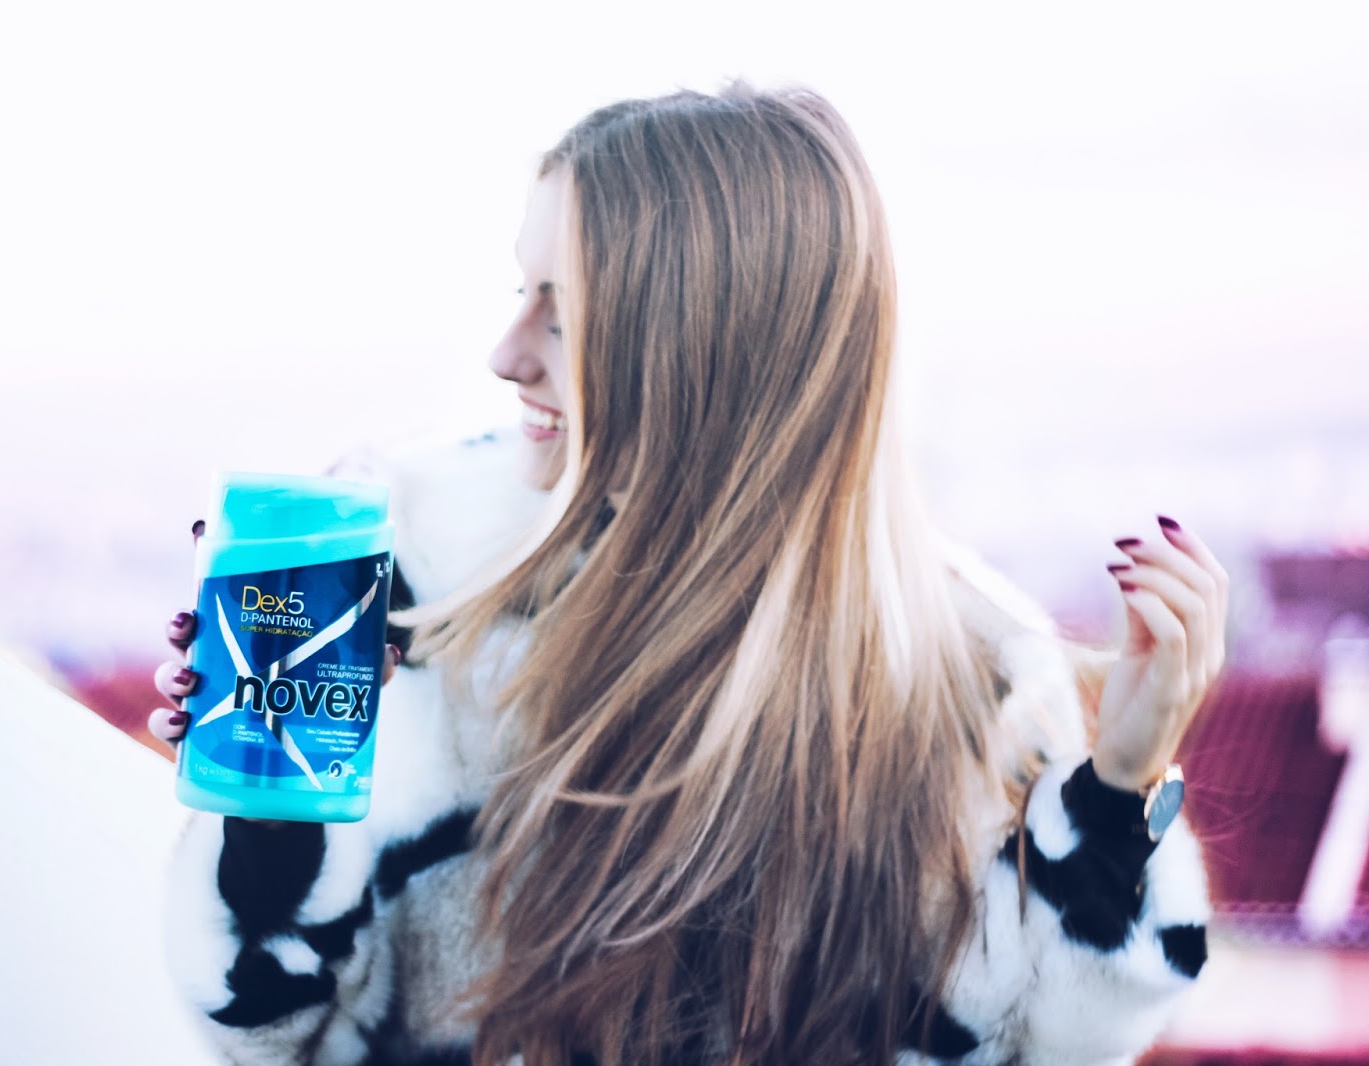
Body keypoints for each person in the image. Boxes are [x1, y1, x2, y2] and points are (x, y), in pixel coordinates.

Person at [147, 84, 1225, 1065]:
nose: (505, 354)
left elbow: (1047, 1047)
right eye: (521, 291)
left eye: (562, 314)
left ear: (708, 353)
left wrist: (1118, 788)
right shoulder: (428, 594)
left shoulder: (975, 684)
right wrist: (270, 815)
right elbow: (287, 1032)